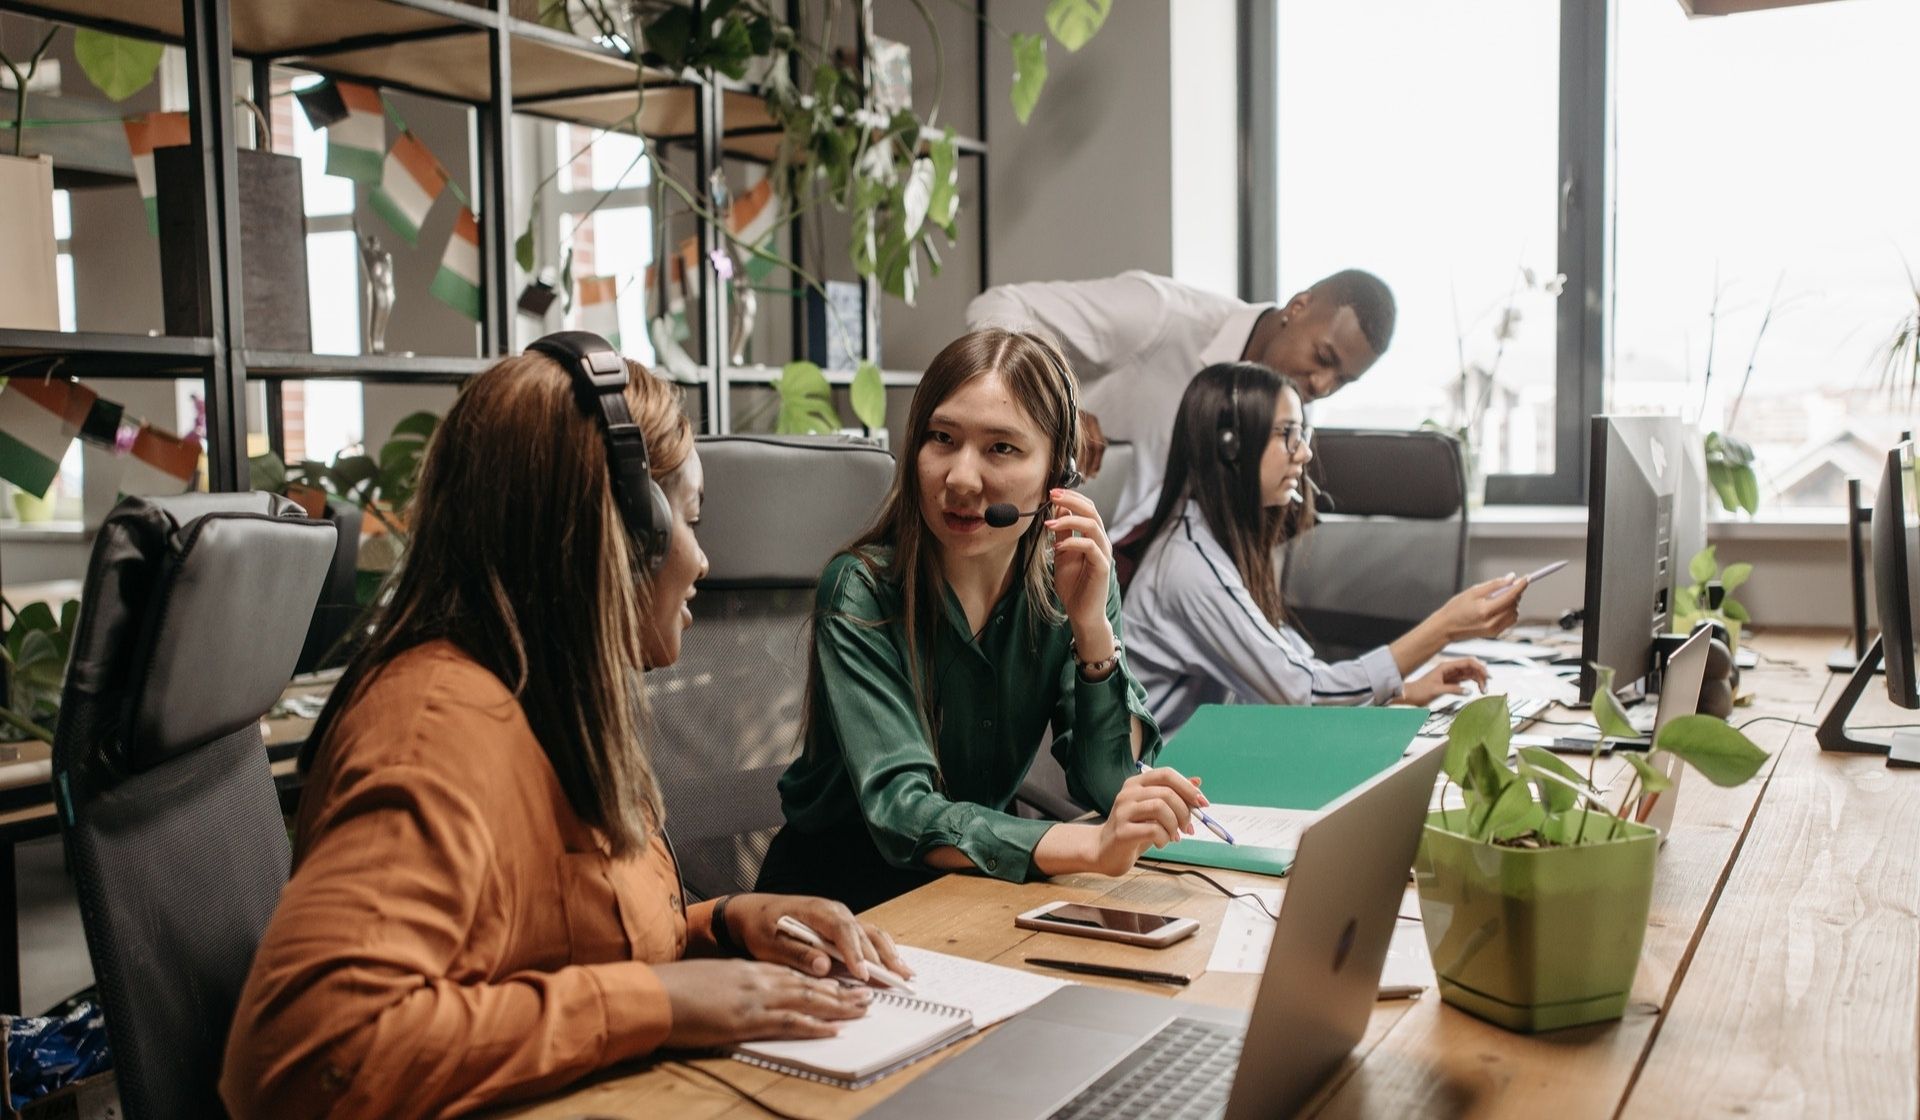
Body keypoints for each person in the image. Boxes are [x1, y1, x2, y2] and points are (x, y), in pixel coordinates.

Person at [222, 336, 910, 1120]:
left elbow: (555, 945)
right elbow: (310, 1055)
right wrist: (655, 1001)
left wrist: (722, 925)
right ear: (621, 534)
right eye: (687, 521)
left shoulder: (544, 698)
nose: (703, 560)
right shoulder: (436, 732)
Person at [755, 328, 1203, 912]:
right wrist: (1092, 845)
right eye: (942, 438)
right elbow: (904, 815)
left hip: (976, 890)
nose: (961, 480)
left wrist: (1092, 627)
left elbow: (1106, 783)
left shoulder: (1072, 578)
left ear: (1056, 479)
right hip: (839, 903)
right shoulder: (862, 590)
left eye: (1001, 448)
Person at [1118, 363, 1527, 738]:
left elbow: (1296, 670)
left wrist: (1407, 691)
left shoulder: (1216, 544)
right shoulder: (1188, 567)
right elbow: (1303, 692)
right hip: (1157, 787)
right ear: (1231, 447)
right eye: (1286, 434)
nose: (1305, 452)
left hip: (1206, 760)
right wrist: (1445, 626)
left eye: (1303, 434)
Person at [966, 269, 1396, 537]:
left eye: (1344, 380)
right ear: (1298, 307)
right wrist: (1056, 404)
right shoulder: (1163, 316)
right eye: (1324, 359)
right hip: (1021, 533)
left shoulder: (1293, 411)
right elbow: (997, 305)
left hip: (1123, 585)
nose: (1322, 385)